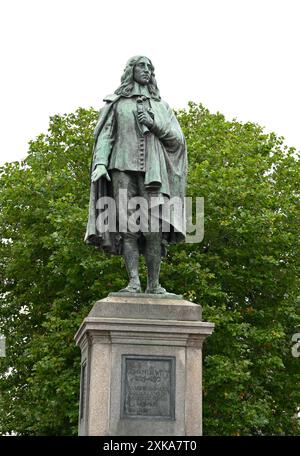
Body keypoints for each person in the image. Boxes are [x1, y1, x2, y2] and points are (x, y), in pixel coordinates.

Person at [85, 56, 187, 294]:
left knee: (153, 228)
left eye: (150, 67)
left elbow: (177, 140)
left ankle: (154, 285)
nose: (147, 70)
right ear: (131, 70)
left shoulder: (162, 107)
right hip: (121, 168)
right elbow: (106, 135)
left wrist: (154, 125)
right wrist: (100, 163)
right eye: (142, 66)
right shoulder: (117, 103)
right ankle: (133, 282)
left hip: (154, 174)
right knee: (128, 227)